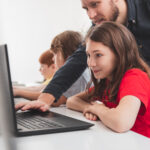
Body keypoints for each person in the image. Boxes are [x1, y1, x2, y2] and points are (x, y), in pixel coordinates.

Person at [16, 0, 150, 111]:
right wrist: (44, 100)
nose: (91, 15)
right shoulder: (99, 25)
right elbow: (76, 62)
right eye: (86, 9)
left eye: (95, 4)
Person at [66, 21, 150, 138]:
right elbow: (71, 100)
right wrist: (89, 108)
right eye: (89, 55)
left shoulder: (134, 77)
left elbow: (121, 122)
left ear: (119, 53)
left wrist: (99, 109)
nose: (90, 63)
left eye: (98, 55)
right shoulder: (108, 81)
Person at [15, 30, 91, 109]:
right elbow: (43, 89)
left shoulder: (75, 74)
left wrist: (19, 92)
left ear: (67, 55)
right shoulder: (68, 74)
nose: (52, 58)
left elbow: (56, 100)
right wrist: (16, 89)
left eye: (55, 54)